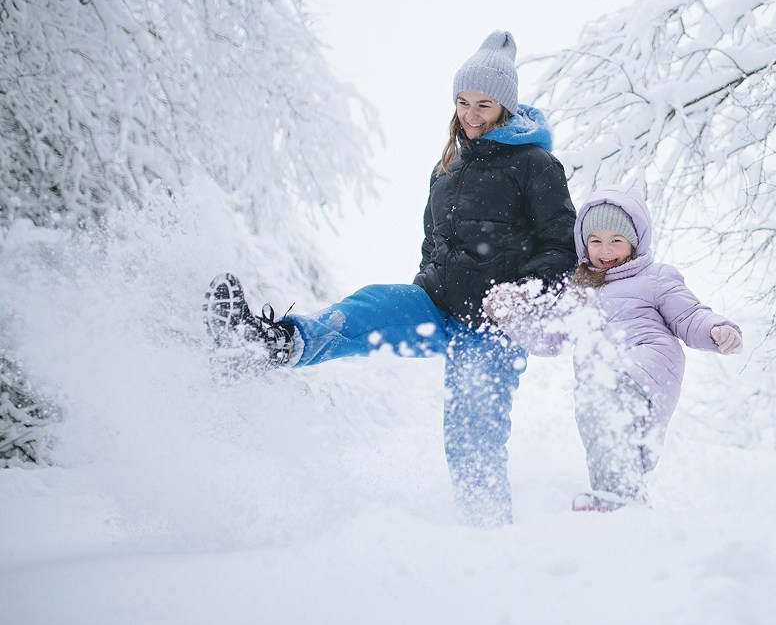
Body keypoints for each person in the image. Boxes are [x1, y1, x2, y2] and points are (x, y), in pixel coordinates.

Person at [203, 30, 577, 526]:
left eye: (483, 104)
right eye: (463, 102)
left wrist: (521, 294)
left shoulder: (535, 164)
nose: (470, 114)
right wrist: (428, 279)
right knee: (369, 306)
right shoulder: (448, 165)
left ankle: (490, 538)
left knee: (471, 432)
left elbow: (561, 245)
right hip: (437, 303)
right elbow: (434, 239)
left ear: (505, 107)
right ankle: (269, 345)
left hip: (494, 326)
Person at [486, 184, 743, 512]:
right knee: (601, 425)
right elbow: (549, 338)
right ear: (584, 244)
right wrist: (514, 317)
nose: (605, 251)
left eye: (616, 241)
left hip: (648, 360)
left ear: (635, 243)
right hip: (602, 378)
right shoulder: (578, 292)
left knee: (604, 397)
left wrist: (716, 330)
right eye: (596, 241)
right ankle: (622, 502)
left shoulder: (656, 278)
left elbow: (690, 315)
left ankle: (618, 498)